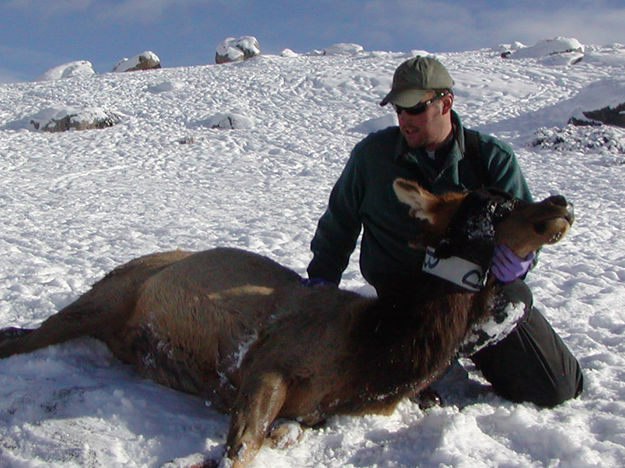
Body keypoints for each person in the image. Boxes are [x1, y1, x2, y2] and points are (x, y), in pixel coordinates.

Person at [306, 56, 583, 407]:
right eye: (398, 109)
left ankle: (463, 349)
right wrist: (320, 283)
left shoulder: (492, 159)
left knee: (557, 387)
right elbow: (339, 224)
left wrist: (521, 261)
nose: (405, 119)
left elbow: (529, 230)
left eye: (415, 108)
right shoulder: (371, 158)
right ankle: (430, 364)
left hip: (477, 301)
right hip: (401, 307)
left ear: (445, 103)